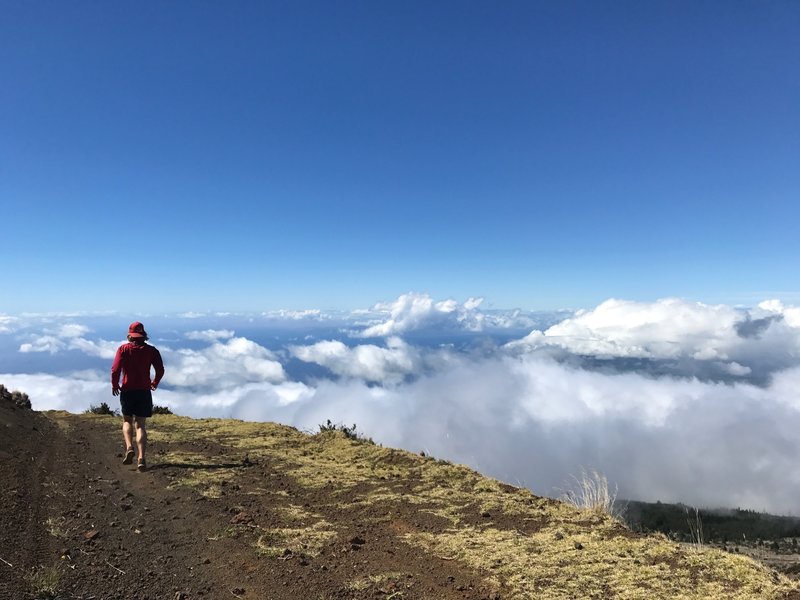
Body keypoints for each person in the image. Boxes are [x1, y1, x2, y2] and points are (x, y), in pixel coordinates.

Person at [111, 322, 164, 472]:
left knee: (127, 420)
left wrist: (115, 385)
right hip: (143, 391)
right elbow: (160, 369)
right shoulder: (151, 351)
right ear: (143, 335)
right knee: (140, 425)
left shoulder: (123, 349)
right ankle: (141, 458)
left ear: (130, 335)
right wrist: (155, 382)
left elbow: (115, 369)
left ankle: (129, 447)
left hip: (127, 390)